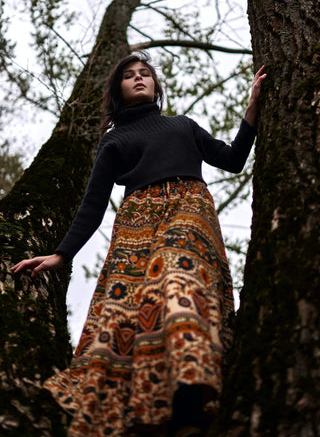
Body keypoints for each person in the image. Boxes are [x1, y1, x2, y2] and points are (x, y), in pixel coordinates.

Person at [12, 53, 266, 437]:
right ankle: (148, 402)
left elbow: (232, 160)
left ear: (155, 85)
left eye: (145, 73)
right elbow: (93, 205)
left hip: (189, 206)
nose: (138, 78)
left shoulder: (183, 125)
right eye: (129, 76)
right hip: (136, 220)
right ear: (119, 90)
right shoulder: (113, 141)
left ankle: (191, 388)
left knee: (178, 270)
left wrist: (252, 107)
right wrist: (61, 254)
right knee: (132, 306)